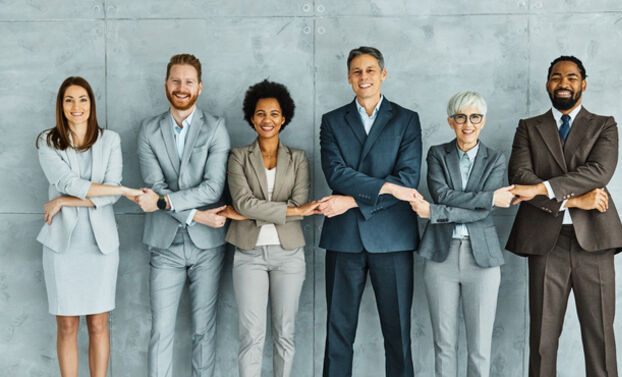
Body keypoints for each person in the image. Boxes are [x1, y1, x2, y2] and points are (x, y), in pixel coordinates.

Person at [506, 56, 622, 377]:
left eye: (571, 78)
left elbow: (599, 171)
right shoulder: (528, 128)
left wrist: (544, 188)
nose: (564, 84)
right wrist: (575, 201)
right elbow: (519, 176)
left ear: (583, 84)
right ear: (548, 84)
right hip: (546, 243)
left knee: (600, 338)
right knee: (543, 343)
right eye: (557, 78)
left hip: (596, 243)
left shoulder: (604, 125)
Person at [319, 46, 422, 377]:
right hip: (344, 239)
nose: (364, 77)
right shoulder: (332, 121)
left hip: (391, 239)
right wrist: (386, 186)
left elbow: (406, 180)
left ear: (383, 74)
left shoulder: (406, 119)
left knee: (398, 336)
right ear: (349, 78)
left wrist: (350, 200)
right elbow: (336, 173)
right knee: (338, 332)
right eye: (357, 71)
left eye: (370, 70)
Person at [36, 76, 142, 377]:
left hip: (101, 246)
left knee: (98, 322)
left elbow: (108, 197)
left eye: (82, 99)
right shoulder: (47, 141)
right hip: (62, 247)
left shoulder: (111, 140)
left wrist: (62, 202)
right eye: (69, 100)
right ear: (61, 105)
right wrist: (119, 190)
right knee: (67, 324)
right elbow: (69, 183)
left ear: (91, 104)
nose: (76, 106)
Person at [133, 53, 231, 377]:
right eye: (176, 80)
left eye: (189, 81)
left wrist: (166, 203)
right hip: (164, 247)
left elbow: (213, 189)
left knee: (204, 331)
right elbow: (154, 188)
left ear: (200, 87)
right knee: (161, 332)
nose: (181, 87)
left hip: (208, 249)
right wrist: (195, 216)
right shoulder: (148, 131)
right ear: (166, 84)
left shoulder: (216, 128)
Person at [409, 91, 515, 377]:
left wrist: (436, 212)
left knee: (479, 347)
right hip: (440, 257)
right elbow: (441, 193)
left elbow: (483, 212)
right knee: (443, 343)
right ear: (450, 121)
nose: (468, 124)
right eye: (461, 117)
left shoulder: (495, 159)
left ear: (483, 122)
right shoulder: (437, 154)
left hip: (482, 260)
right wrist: (487, 197)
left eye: (475, 117)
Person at [222, 79, 320, 377]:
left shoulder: (298, 158)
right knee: (251, 335)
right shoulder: (238, 157)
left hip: (289, 255)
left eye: (274, 114)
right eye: (261, 114)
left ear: (284, 118)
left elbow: (299, 204)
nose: (268, 120)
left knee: (285, 334)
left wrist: (247, 213)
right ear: (251, 118)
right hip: (248, 254)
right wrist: (288, 211)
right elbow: (243, 202)